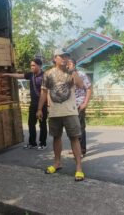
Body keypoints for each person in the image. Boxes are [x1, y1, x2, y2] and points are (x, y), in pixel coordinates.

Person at [37, 48, 85, 181]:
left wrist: (73, 71)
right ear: (55, 58)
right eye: (62, 56)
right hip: (54, 112)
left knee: (74, 138)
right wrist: (39, 109)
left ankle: (79, 168)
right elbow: (44, 93)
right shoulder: (48, 74)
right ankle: (57, 163)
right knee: (56, 138)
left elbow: (81, 86)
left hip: (70, 111)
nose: (65, 58)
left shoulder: (72, 73)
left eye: (66, 56)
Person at [3, 58, 48, 150]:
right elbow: (19, 76)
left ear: (39, 66)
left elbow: (48, 91)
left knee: (42, 124)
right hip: (33, 104)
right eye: (31, 65)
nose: (31, 67)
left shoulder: (45, 76)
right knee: (31, 123)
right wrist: (8, 74)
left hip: (42, 104)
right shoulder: (30, 75)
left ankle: (43, 143)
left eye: (33, 65)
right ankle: (32, 143)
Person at [67, 58, 92, 156]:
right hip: (69, 105)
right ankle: (75, 148)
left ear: (74, 64)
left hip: (79, 104)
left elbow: (89, 89)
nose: (68, 65)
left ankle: (81, 150)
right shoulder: (65, 75)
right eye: (67, 64)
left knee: (80, 127)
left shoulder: (81, 74)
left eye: (70, 63)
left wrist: (85, 103)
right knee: (71, 128)